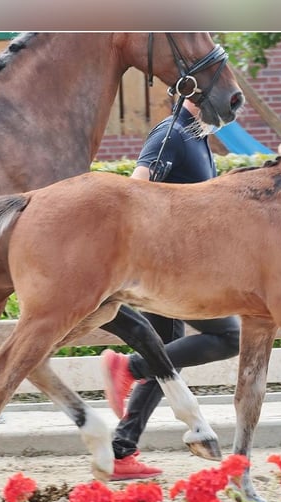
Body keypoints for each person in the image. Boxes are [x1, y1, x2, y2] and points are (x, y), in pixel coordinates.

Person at [99, 97, 240, 480]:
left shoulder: (195, 136)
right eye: (224, 96)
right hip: (169, 269)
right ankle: (127, 366)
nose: (229, 103)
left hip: (176, 265)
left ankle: (120, 452)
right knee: (228, 336)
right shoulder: (171, 133)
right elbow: (136, 188)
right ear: (193, 92)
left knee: (167, 356)